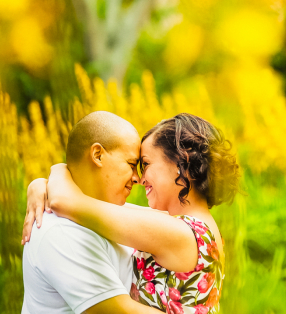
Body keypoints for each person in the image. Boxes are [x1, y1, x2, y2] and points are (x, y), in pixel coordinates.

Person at [23, 113, 242, 313]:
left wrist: (57, 170)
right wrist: (41, 184)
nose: (140, 178)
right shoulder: (189, 226)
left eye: (145, 164)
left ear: (180, 163)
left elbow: (66, 201)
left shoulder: (181, 233)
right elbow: (99, 207)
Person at [21, 111, 163, 314]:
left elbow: (173, 225)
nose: (137, 178)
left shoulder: (103, 213)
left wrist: (54, 174)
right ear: (97, 155)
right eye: (131, 165)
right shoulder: (61, 232)